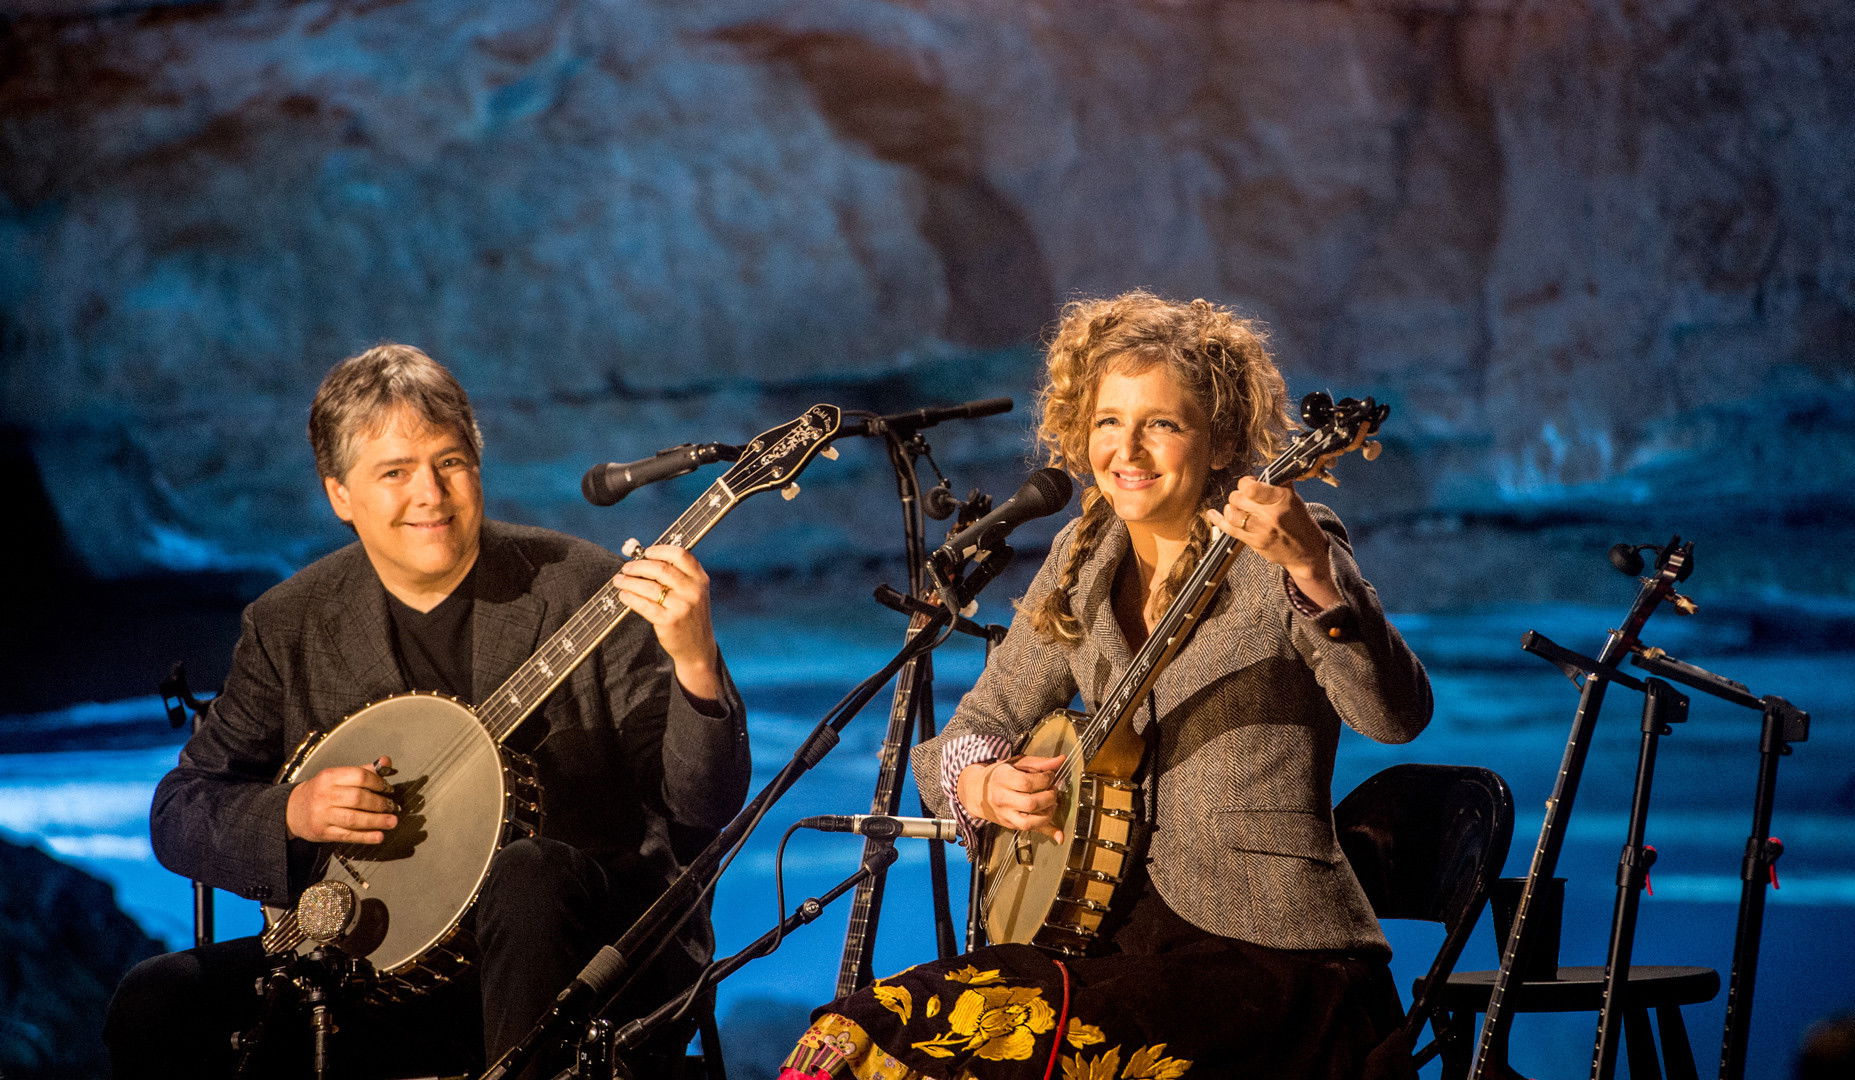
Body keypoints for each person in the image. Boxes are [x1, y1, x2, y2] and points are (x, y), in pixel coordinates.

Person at [780, 292, 1432, 1080]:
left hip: (1270, 961)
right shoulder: (1082, 556)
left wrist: (1313, 574)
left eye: (1163, 424)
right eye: (1108, 421)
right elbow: (968, 730)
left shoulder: (1291, 546)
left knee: (987, 1045)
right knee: (863, 1028)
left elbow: (1395, 715)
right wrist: (982, 784)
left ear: (1223, 439)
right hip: (1099, 941)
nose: (1127, 448)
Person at [104, 344, 752, 1078]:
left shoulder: (587, 587)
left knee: (530, 874)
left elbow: (702, 807)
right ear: (340, 494)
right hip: (372, 970)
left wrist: (696, 663)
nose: (431, 495)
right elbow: (181, 809)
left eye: (451, 462)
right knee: (156, 1002)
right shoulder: (290, 624)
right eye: (395, 472)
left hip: (577, 961)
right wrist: (293, 812)